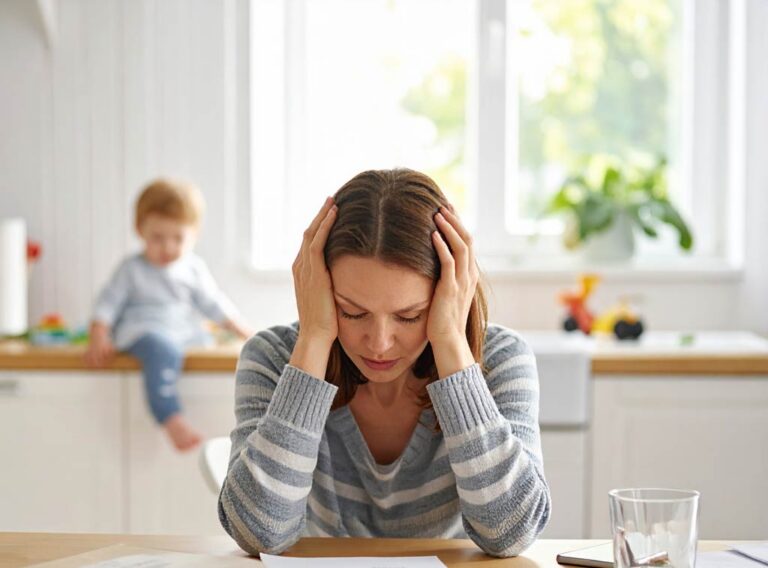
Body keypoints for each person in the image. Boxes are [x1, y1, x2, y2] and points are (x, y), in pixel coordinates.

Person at [218, 169, 550, 556]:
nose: (378, 343)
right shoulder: (273, 358)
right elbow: (258, 533)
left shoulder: (500, 359)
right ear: (317, 288)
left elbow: (511, 532)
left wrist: (450, 344)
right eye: (352, 312)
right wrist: (314, 339)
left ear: (450, 292)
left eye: (409, 316)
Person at [85, 178, 252, 451]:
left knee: (199, 346)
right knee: (162, 350)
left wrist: (245, 332)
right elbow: (107, 304)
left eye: (178, 238)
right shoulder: (132, 270)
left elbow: (214, 304)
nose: (168, 247)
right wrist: (98, 336)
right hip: (144, 333)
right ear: (140, 230)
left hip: (183, 334)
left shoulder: (193, 268)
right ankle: (171, 419)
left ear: (194, 234)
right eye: (158, 238)